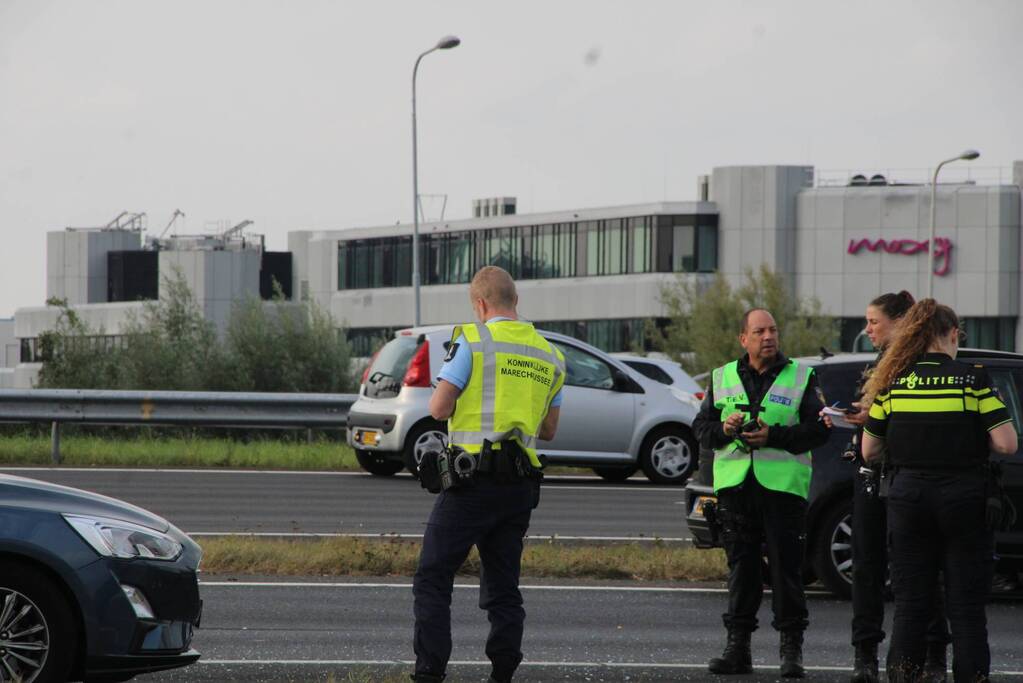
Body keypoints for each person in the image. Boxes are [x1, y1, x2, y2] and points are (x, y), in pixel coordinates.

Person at [411, 265, 566, 683]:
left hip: (471, 482)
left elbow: (438, 409)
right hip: (519, 487)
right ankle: (502, 671)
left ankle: (429, 672)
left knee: (433, 576)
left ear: (480, 304)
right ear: (515, 301)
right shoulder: (549, 354)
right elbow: (549, 430)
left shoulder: (474, 342)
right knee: (502, 586)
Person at [861, 299, 1017, 683]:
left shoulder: (895, 380)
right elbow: (1007, 443)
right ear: (951, 334)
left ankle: (904, 676)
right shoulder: (973, 378)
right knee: (965, 607)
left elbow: (869, 449)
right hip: (964, 498)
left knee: (911, 606)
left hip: (908, 497)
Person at [693, 308, 831, 678]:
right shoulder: (721, 376)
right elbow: (702, 429)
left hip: (782, 489)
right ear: (744, 339)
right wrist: (725, 428)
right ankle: (737, 649)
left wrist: (775, 437)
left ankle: (791, 651)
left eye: (772, 330)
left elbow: (819, 431)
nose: (768, 337)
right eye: (759, 331)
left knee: (787, 570)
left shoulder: (801, 376)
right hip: (737, 488)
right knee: (742, 570)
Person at [843, 291, 951, 683]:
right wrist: (858, 417)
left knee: (920, 570)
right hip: (873, 473)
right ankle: (865, 656)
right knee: (867, 567)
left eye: (874, 321)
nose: (867, 329)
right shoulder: (879, 364)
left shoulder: (919, 364)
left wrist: (873, 416)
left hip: (906, 476)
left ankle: (933, 655)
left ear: (900, 322)